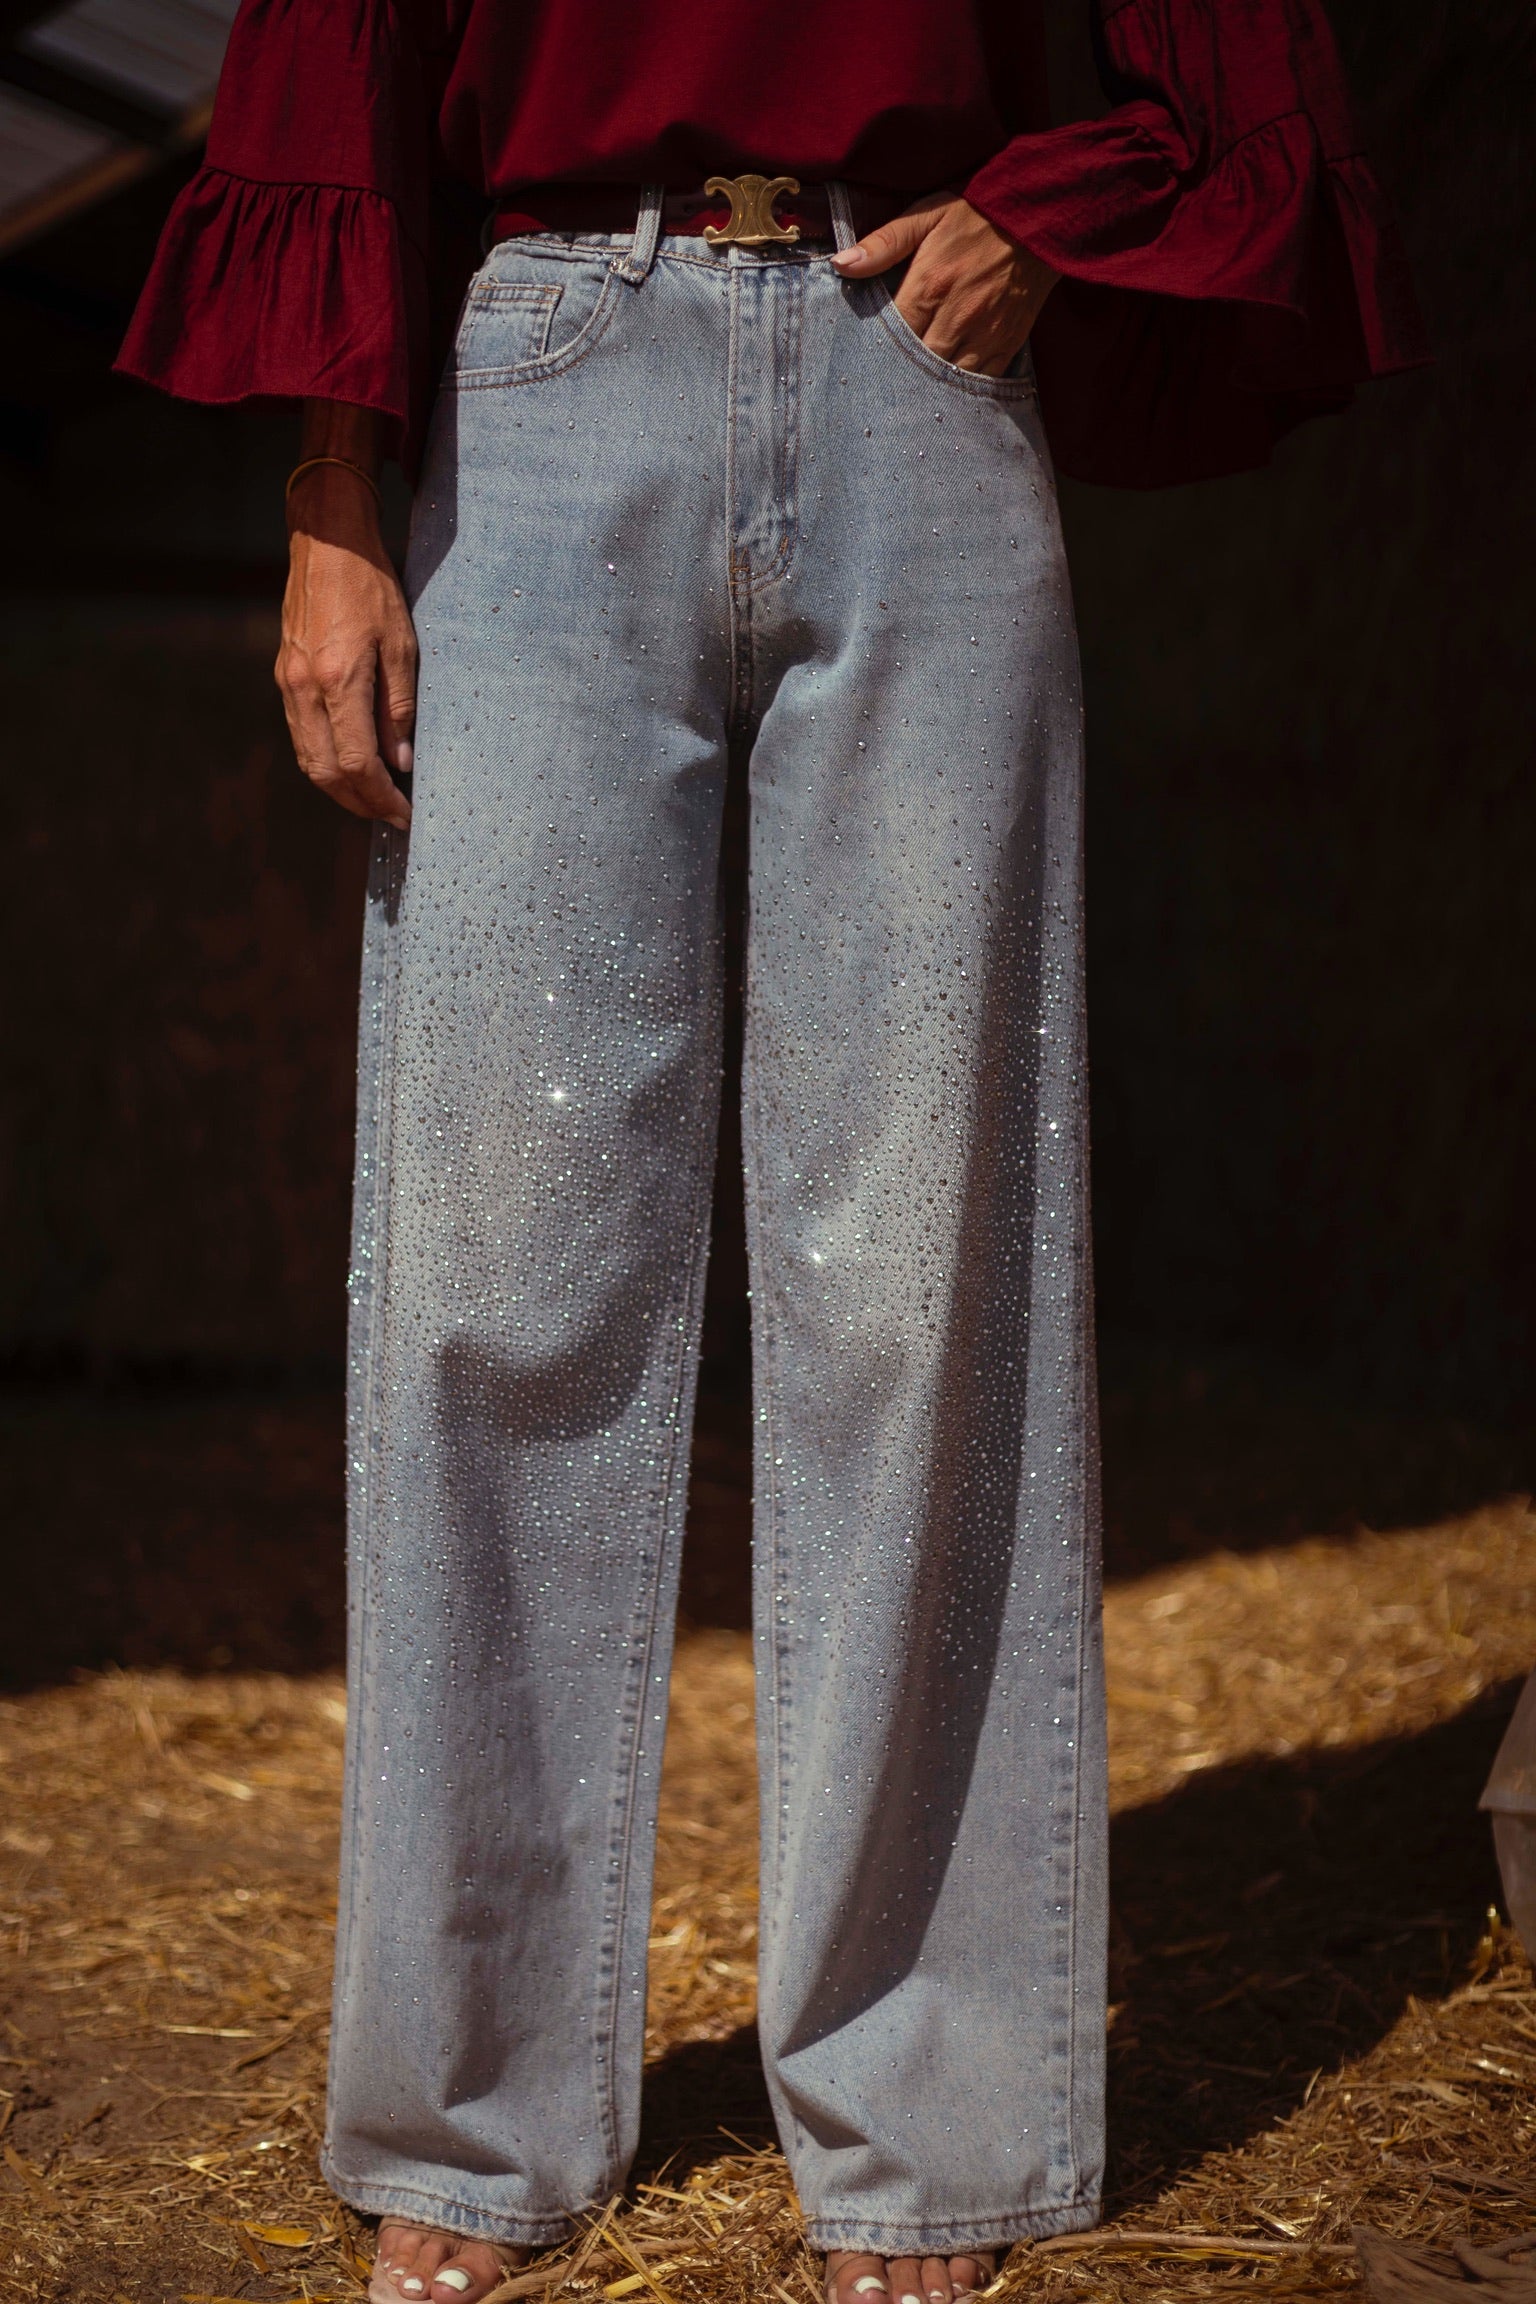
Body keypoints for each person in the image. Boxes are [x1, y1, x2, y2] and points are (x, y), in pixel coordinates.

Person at [119, 6, 1423, 2303]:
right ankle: (467, 2116)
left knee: (924, 1272)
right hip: (547, 372)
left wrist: (1055, 208)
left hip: (918, 364)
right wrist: (332, 495)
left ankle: (924, 2125)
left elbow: (1242, 68)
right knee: (491, 1281)